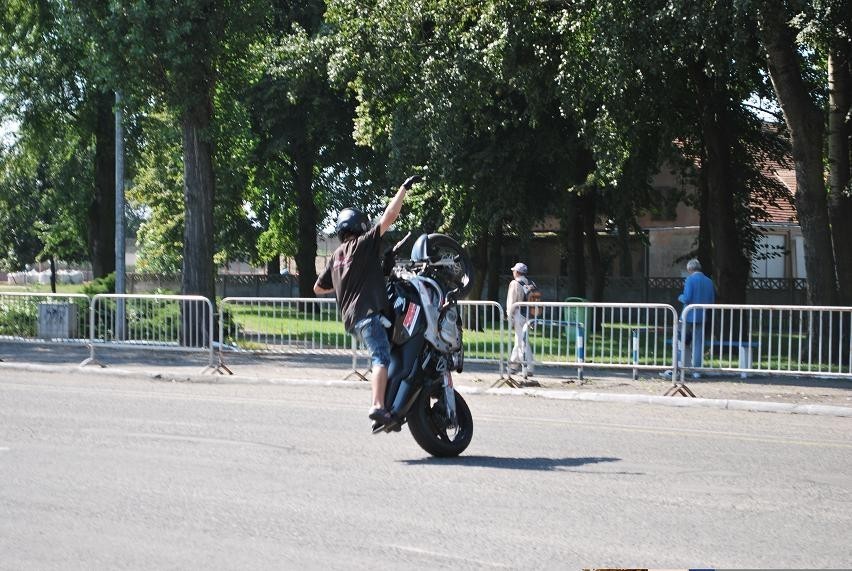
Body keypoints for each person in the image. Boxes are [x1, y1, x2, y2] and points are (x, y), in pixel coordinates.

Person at [313, 175, 422, 428]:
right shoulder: (363, 244)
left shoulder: (336, 256)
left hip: (353, 319)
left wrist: (342, 287)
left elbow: (318, 288)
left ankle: (392, 399)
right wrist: (403, 188)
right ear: (359, 227)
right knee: (380, 357)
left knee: (388, 350)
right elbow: (390, 215)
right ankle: (377, 405)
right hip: (368, 315)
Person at [678, 258, 715, 376]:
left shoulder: (690, 279)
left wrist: (680, 297)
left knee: (680, 340)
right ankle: (697, 371)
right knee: (698, 343)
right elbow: (711, 301)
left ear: (690, 269)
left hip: (688, 315)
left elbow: (687, 298)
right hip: (702, 315)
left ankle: (679, 367)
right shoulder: (709, 281)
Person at [506, 262, 535, 376]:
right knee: (519, 340)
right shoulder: (530, 283)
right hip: (529, 315)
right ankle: (513, 365)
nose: (513, 272)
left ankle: (529, 367)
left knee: (522, 341)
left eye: (514, 271)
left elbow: (511, 301)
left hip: (519, 314)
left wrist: (509, 315)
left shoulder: (514, 283)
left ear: (517, 272)